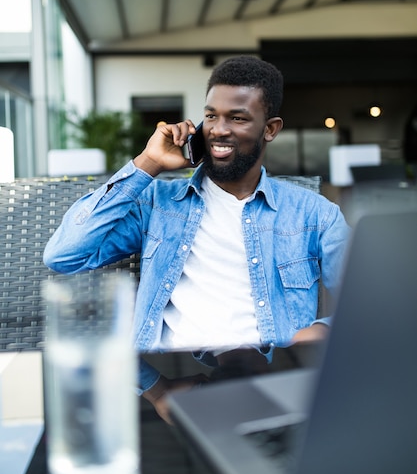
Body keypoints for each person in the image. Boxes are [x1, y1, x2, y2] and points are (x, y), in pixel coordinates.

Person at [43, 55, 350, 423]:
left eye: (237, 118)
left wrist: (315, 332)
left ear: (270, 129)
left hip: (276, 384)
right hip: (174, 388)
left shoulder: (315, 215)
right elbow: (63, 255)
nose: (218, 129)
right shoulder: (158, 203)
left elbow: (370, 304)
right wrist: (148, 163)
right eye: (211, 116)